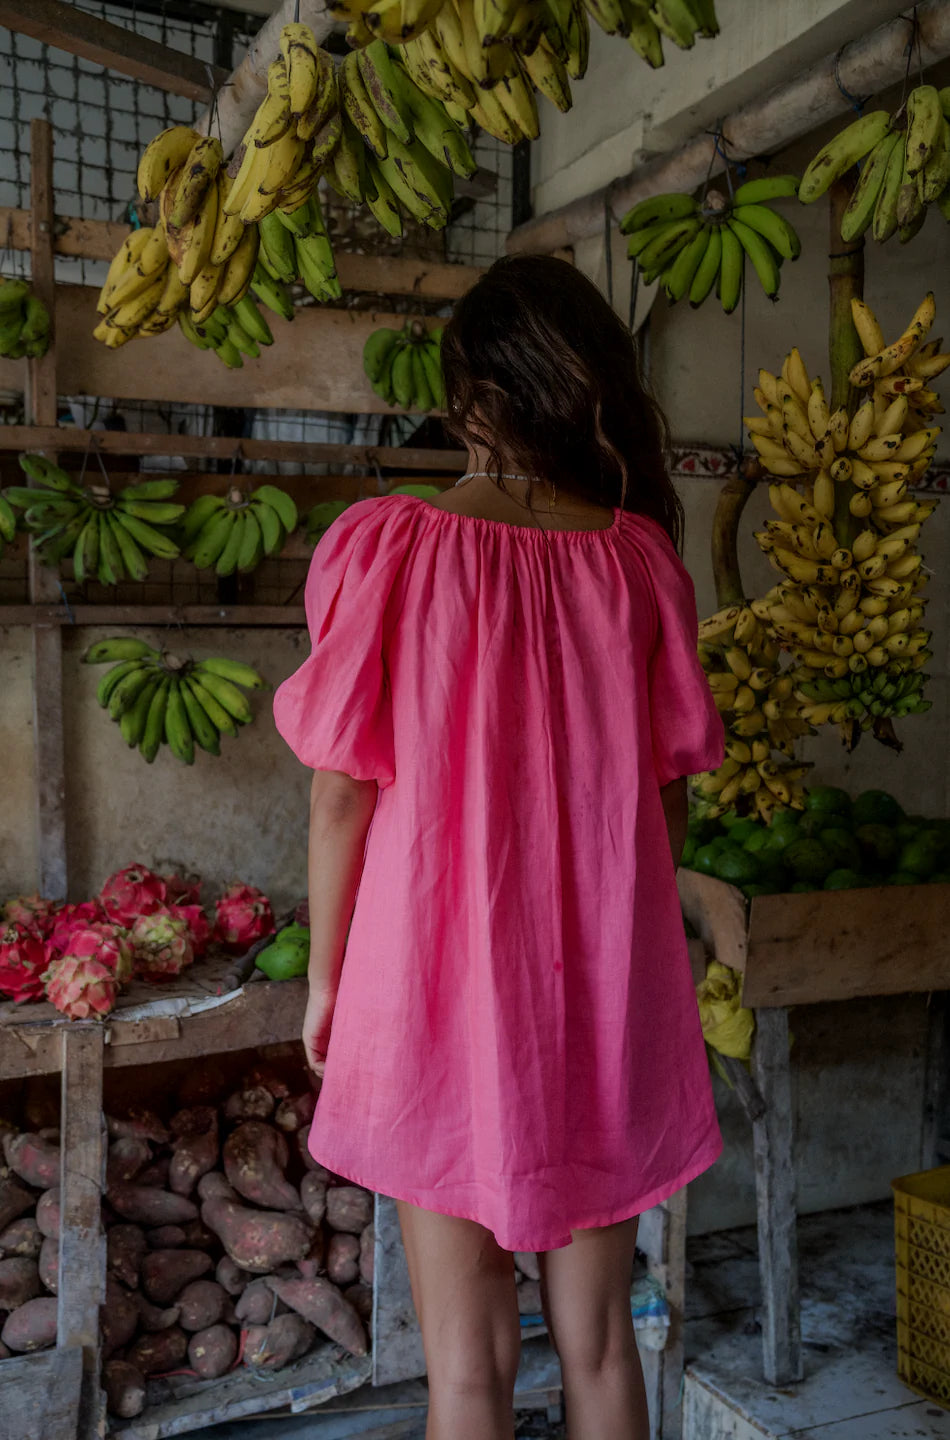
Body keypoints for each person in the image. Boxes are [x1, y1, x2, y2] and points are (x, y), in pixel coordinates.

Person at [273, 253, 724, 1440]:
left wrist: (326, 980)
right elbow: (663, 811)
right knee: (598, 1349)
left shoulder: (391, 547)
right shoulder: (641, 567)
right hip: (599, 1001)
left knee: (465, 1374)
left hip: (430, 996)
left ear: (471, 396)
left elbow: (338, 797)